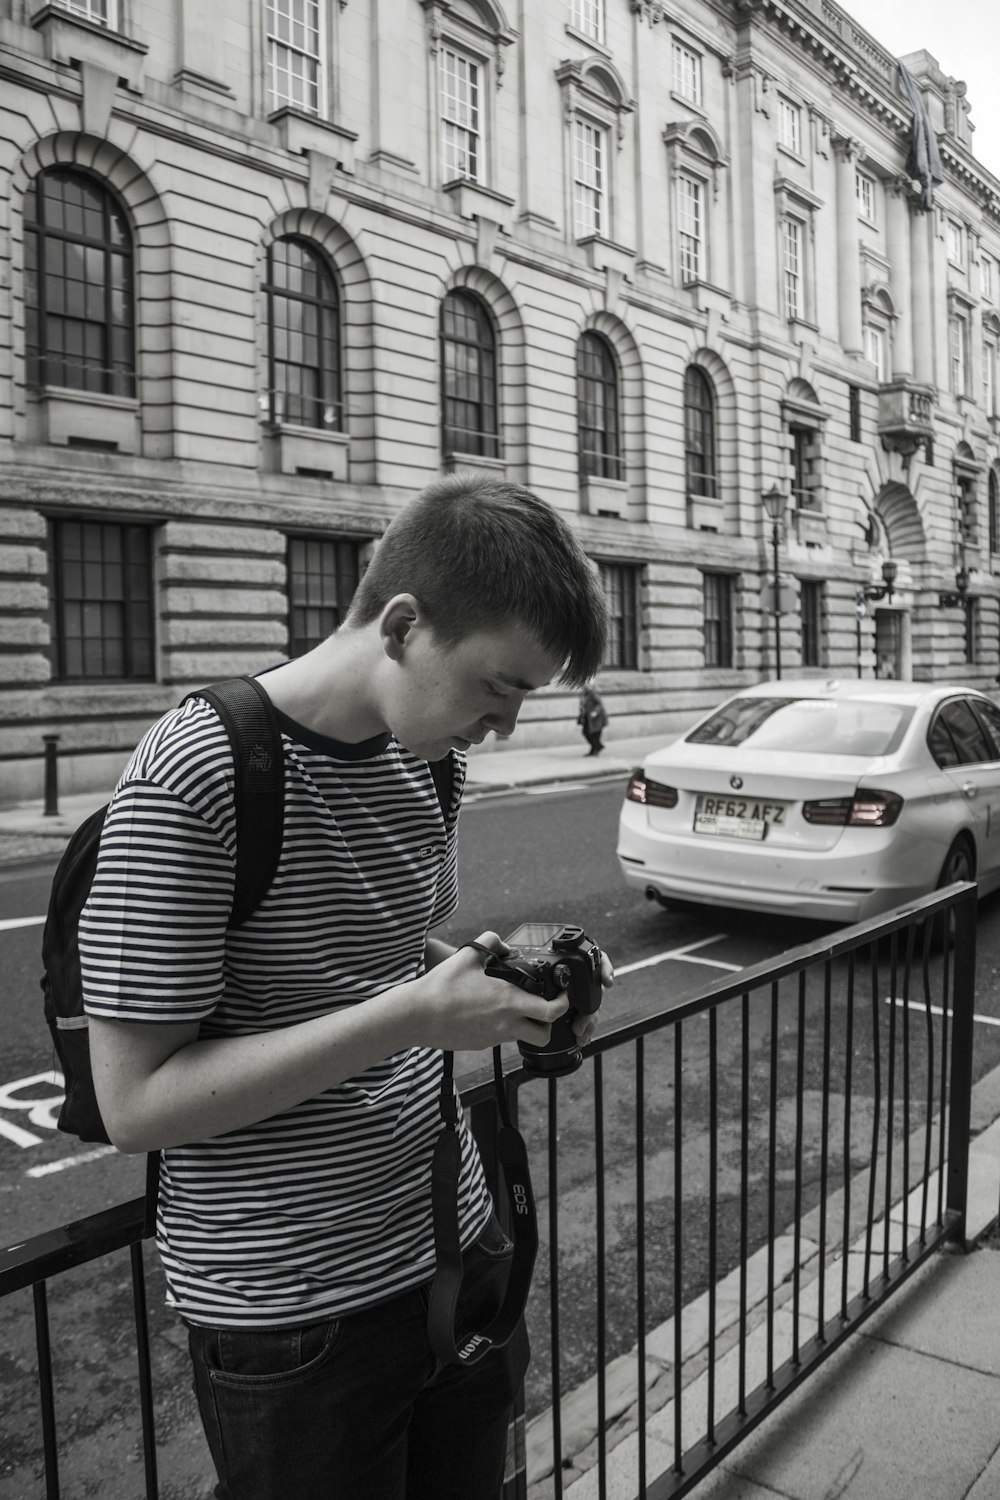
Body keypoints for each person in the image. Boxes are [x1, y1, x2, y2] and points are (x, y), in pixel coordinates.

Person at [80, 472, 615, 1500]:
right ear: (403, 625)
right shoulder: (194, 772)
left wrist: (495, 981)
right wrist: (414, 1014)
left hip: (459, 1250)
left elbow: (375, 952)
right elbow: (135, 1103)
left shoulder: (427, 764)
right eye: (496, 687)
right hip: (296, 1318)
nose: (502, 726)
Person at [577, 681, 608, 755]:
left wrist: (595, 712)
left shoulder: (593, 693)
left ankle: (595, 749)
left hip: (596, 718)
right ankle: (597, 747)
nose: (583, 687)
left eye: (585, 685)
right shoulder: (584, 694)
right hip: (588, 717)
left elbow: (599, 704)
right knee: (586, 732)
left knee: (594, 733)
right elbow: (583, 705)